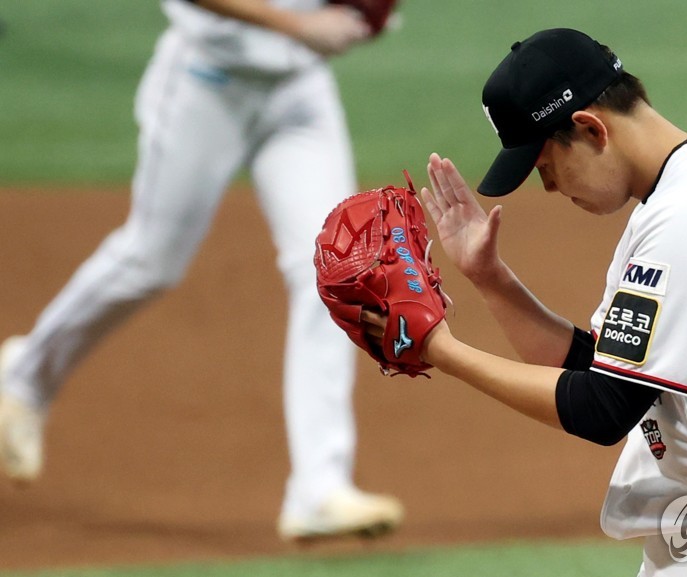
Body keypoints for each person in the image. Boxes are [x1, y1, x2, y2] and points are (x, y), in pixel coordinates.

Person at [398, 28, 687, 575]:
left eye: (545, 168)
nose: (549, 189)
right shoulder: (676, 198)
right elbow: (597, 366)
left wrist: (439, 351)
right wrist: (491, 279)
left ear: (591, 128)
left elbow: (603, 408)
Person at [0, 0, 402, 541]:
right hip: (206, 82)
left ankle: (319, 487)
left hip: (300, 90)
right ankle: (22, 380)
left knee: (335, 271)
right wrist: (300, 25)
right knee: (150, 260)